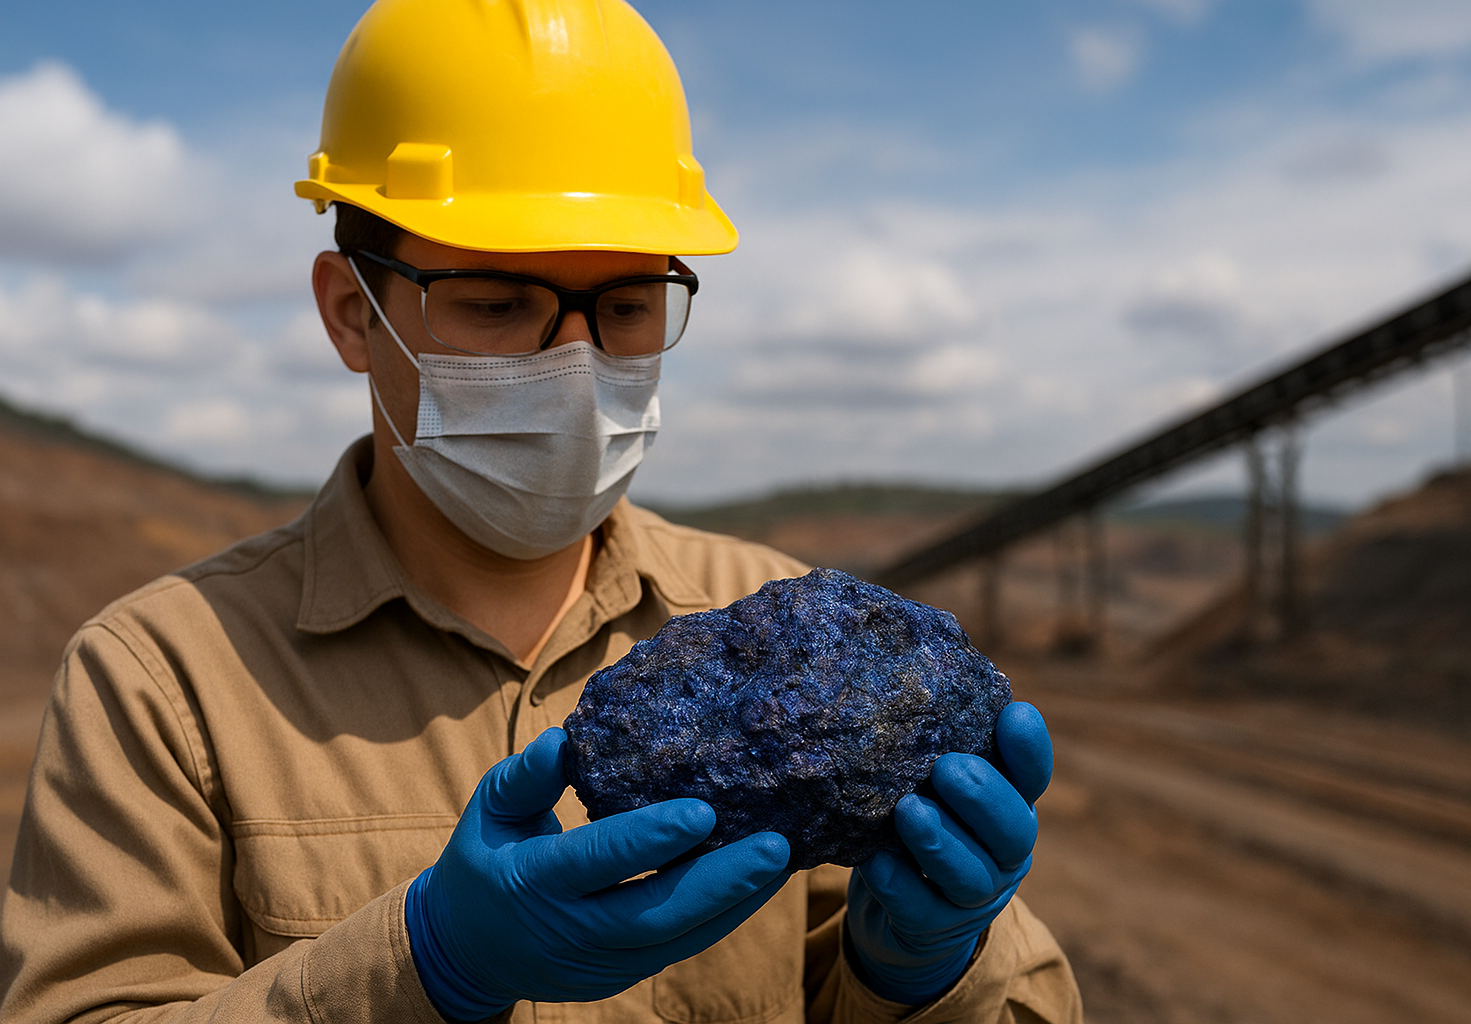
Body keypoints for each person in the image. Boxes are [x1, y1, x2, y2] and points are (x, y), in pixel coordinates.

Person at [0, 1, 1083, 1021]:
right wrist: (419, 967)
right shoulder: (160, 682)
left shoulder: (785, 644)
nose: (576, 362)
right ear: (350, 312)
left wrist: (926, 975)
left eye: (625, 305)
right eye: (497, 302)